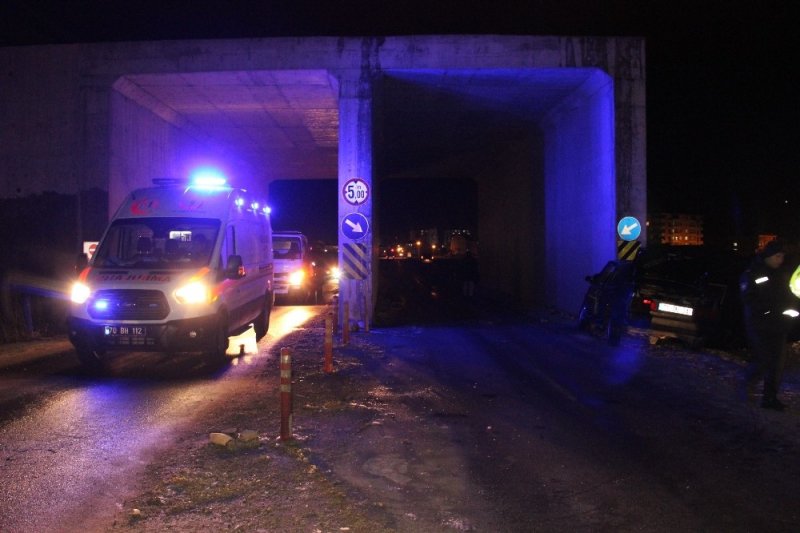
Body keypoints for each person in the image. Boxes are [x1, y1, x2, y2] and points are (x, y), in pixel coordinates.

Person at [739, 240, 798, 410]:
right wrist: (769, 311)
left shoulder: (781, 274)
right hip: (759, 325)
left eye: (782, 257)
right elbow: (749, 299)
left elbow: (789, 296)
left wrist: (790, 311)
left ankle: (770, 398)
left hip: (779, 325)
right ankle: (749, 383)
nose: (780, 260)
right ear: (768, 256)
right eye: (777, 256)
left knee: (777, 364)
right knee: (763, 361)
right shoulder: (753, 273)